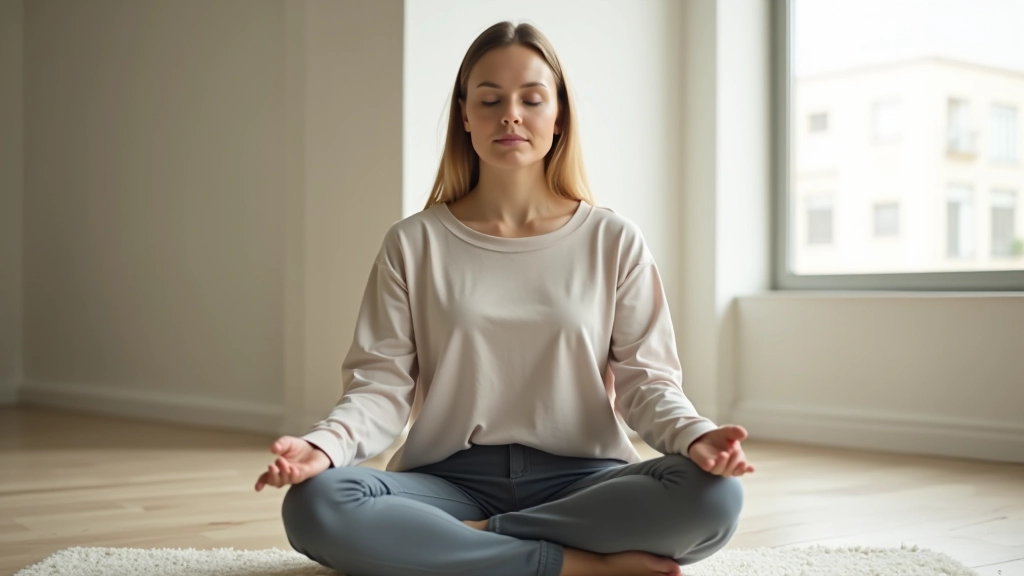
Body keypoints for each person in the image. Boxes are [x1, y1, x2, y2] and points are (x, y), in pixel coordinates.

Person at [255, 20, 754, 576]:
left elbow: (649, 384)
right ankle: (578, 566)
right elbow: (379, 388)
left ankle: (463, 545)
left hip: (584, 482)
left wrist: (697, 436)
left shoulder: (614, 240)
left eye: (531, 99)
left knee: (716, 497)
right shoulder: (414, 242)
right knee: (315, 503)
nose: (510, 114)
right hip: (447, 481)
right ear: (465, 116)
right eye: (489, 100)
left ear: (558, 114)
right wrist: (322, 447)